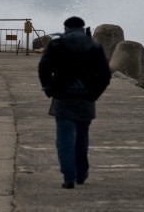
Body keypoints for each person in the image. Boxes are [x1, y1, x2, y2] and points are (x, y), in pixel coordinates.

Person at [38, 16, 111, 189]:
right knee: (82, 138)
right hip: (86, 99)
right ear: (82, 27)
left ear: (66, 28)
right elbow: (105, 75)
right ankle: (81, 173)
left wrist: (49, 89)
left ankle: (69, 177)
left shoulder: (57, 45)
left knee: (64, 140)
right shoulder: (94, 46)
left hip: (63, 98)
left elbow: (43, 68)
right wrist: (94, 93)